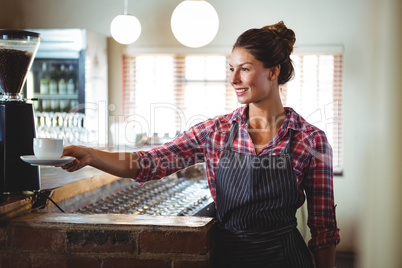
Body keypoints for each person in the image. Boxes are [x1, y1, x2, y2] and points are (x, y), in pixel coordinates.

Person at [62, 21, 340, 267]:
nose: (233, 79)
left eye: (244, 69)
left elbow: (324, 226)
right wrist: (91, 155)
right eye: (231, 69)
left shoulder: (310, 139)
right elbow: (150, 163)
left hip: (285, 258)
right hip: (229, 256)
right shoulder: (214, 132)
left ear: (273, 71)